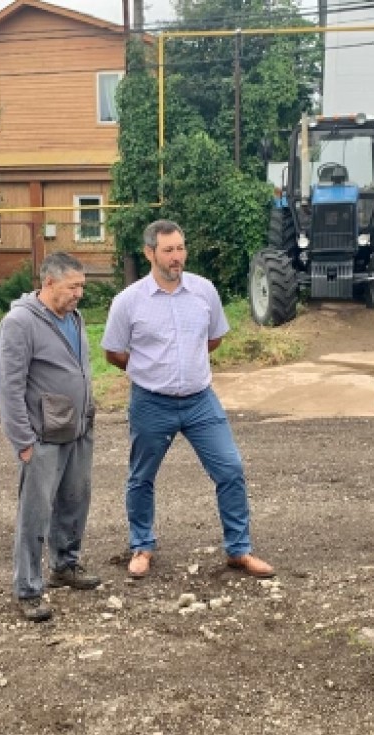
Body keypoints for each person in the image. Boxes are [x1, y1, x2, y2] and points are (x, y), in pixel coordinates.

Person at [101, 219, 274, 580]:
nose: (176, 257)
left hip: (200, 401)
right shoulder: (128, 301)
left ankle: (239, 551)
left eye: (180, 248)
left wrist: (186, 365)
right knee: (141, 476)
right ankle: (142, 546)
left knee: (230, 469)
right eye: (168, 250)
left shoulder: (204, 291)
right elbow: (113, 352)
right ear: (150, 253)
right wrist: (150, 369)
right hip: (151, 402)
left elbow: (214, 339)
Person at [0, 252, 100, 622]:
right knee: (35, 514)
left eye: (82, 287)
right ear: (49, 282)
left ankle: (65, 565)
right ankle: (27, 588)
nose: (79, 294)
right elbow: (8, 388)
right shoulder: (19, 323)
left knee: (74, 501)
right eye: (73, 287)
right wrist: (22, 441)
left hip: (78, 429)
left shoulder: (74, 317)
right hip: (42, 436)